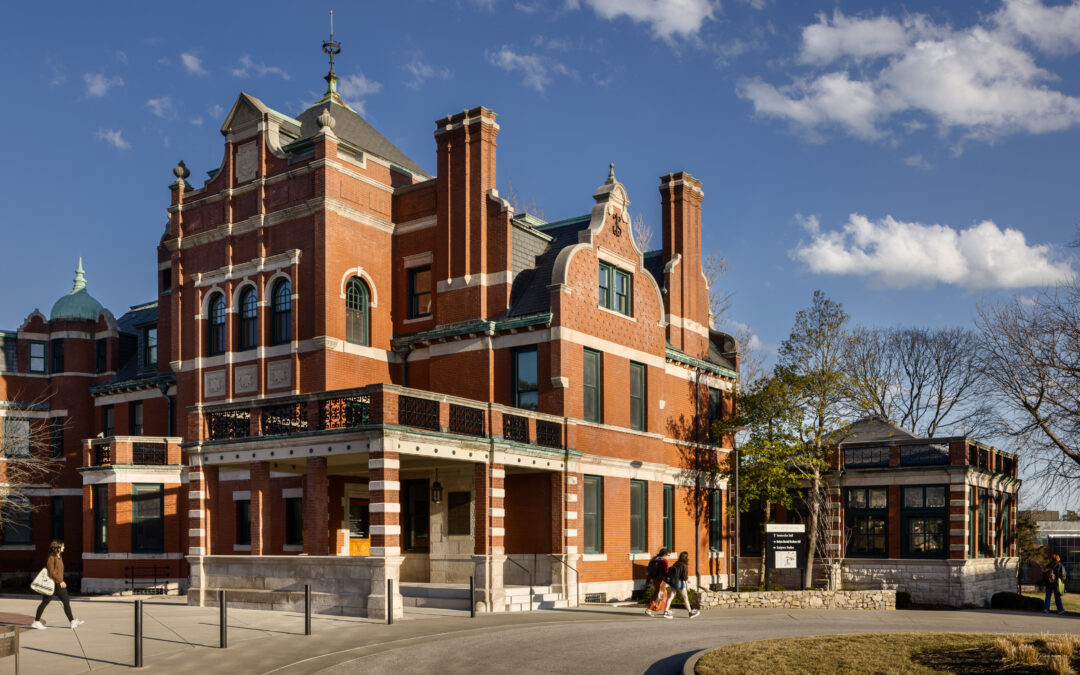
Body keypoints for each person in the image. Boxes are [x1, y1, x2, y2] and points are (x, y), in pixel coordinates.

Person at [31, 541, 83, 630]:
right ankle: (72, 621)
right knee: (63, 601)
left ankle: (37, 621)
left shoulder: (59, 557)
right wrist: (60, 581)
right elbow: (52, 572)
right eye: (62, 546)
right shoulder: (51, 558)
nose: (64, 547)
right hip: (55, 583)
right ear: (57, 547)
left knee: (48, 602)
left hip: (56, 583)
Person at [662, 551, 700, 619]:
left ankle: (666, 612)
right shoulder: (684, 565)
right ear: (686, 557)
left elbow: (676, 574)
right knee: (685, 598)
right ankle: (690, 613)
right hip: (680, 583)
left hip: (673, 582)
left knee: (670, 597)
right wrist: (687, 585)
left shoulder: (677, 563)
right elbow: (684, 577)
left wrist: (686, 580)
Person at [644, 548, 670, 616]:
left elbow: (649, 571)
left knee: (662, 593)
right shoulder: (664, 561)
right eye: (668, 555)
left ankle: (665, 609)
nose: (668, 556)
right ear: (665, 554)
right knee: (657, 594)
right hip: (661, 580)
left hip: (654, 579)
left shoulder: (653, 559)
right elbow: (666, 571)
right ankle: (649, 609)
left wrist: (648, 580)